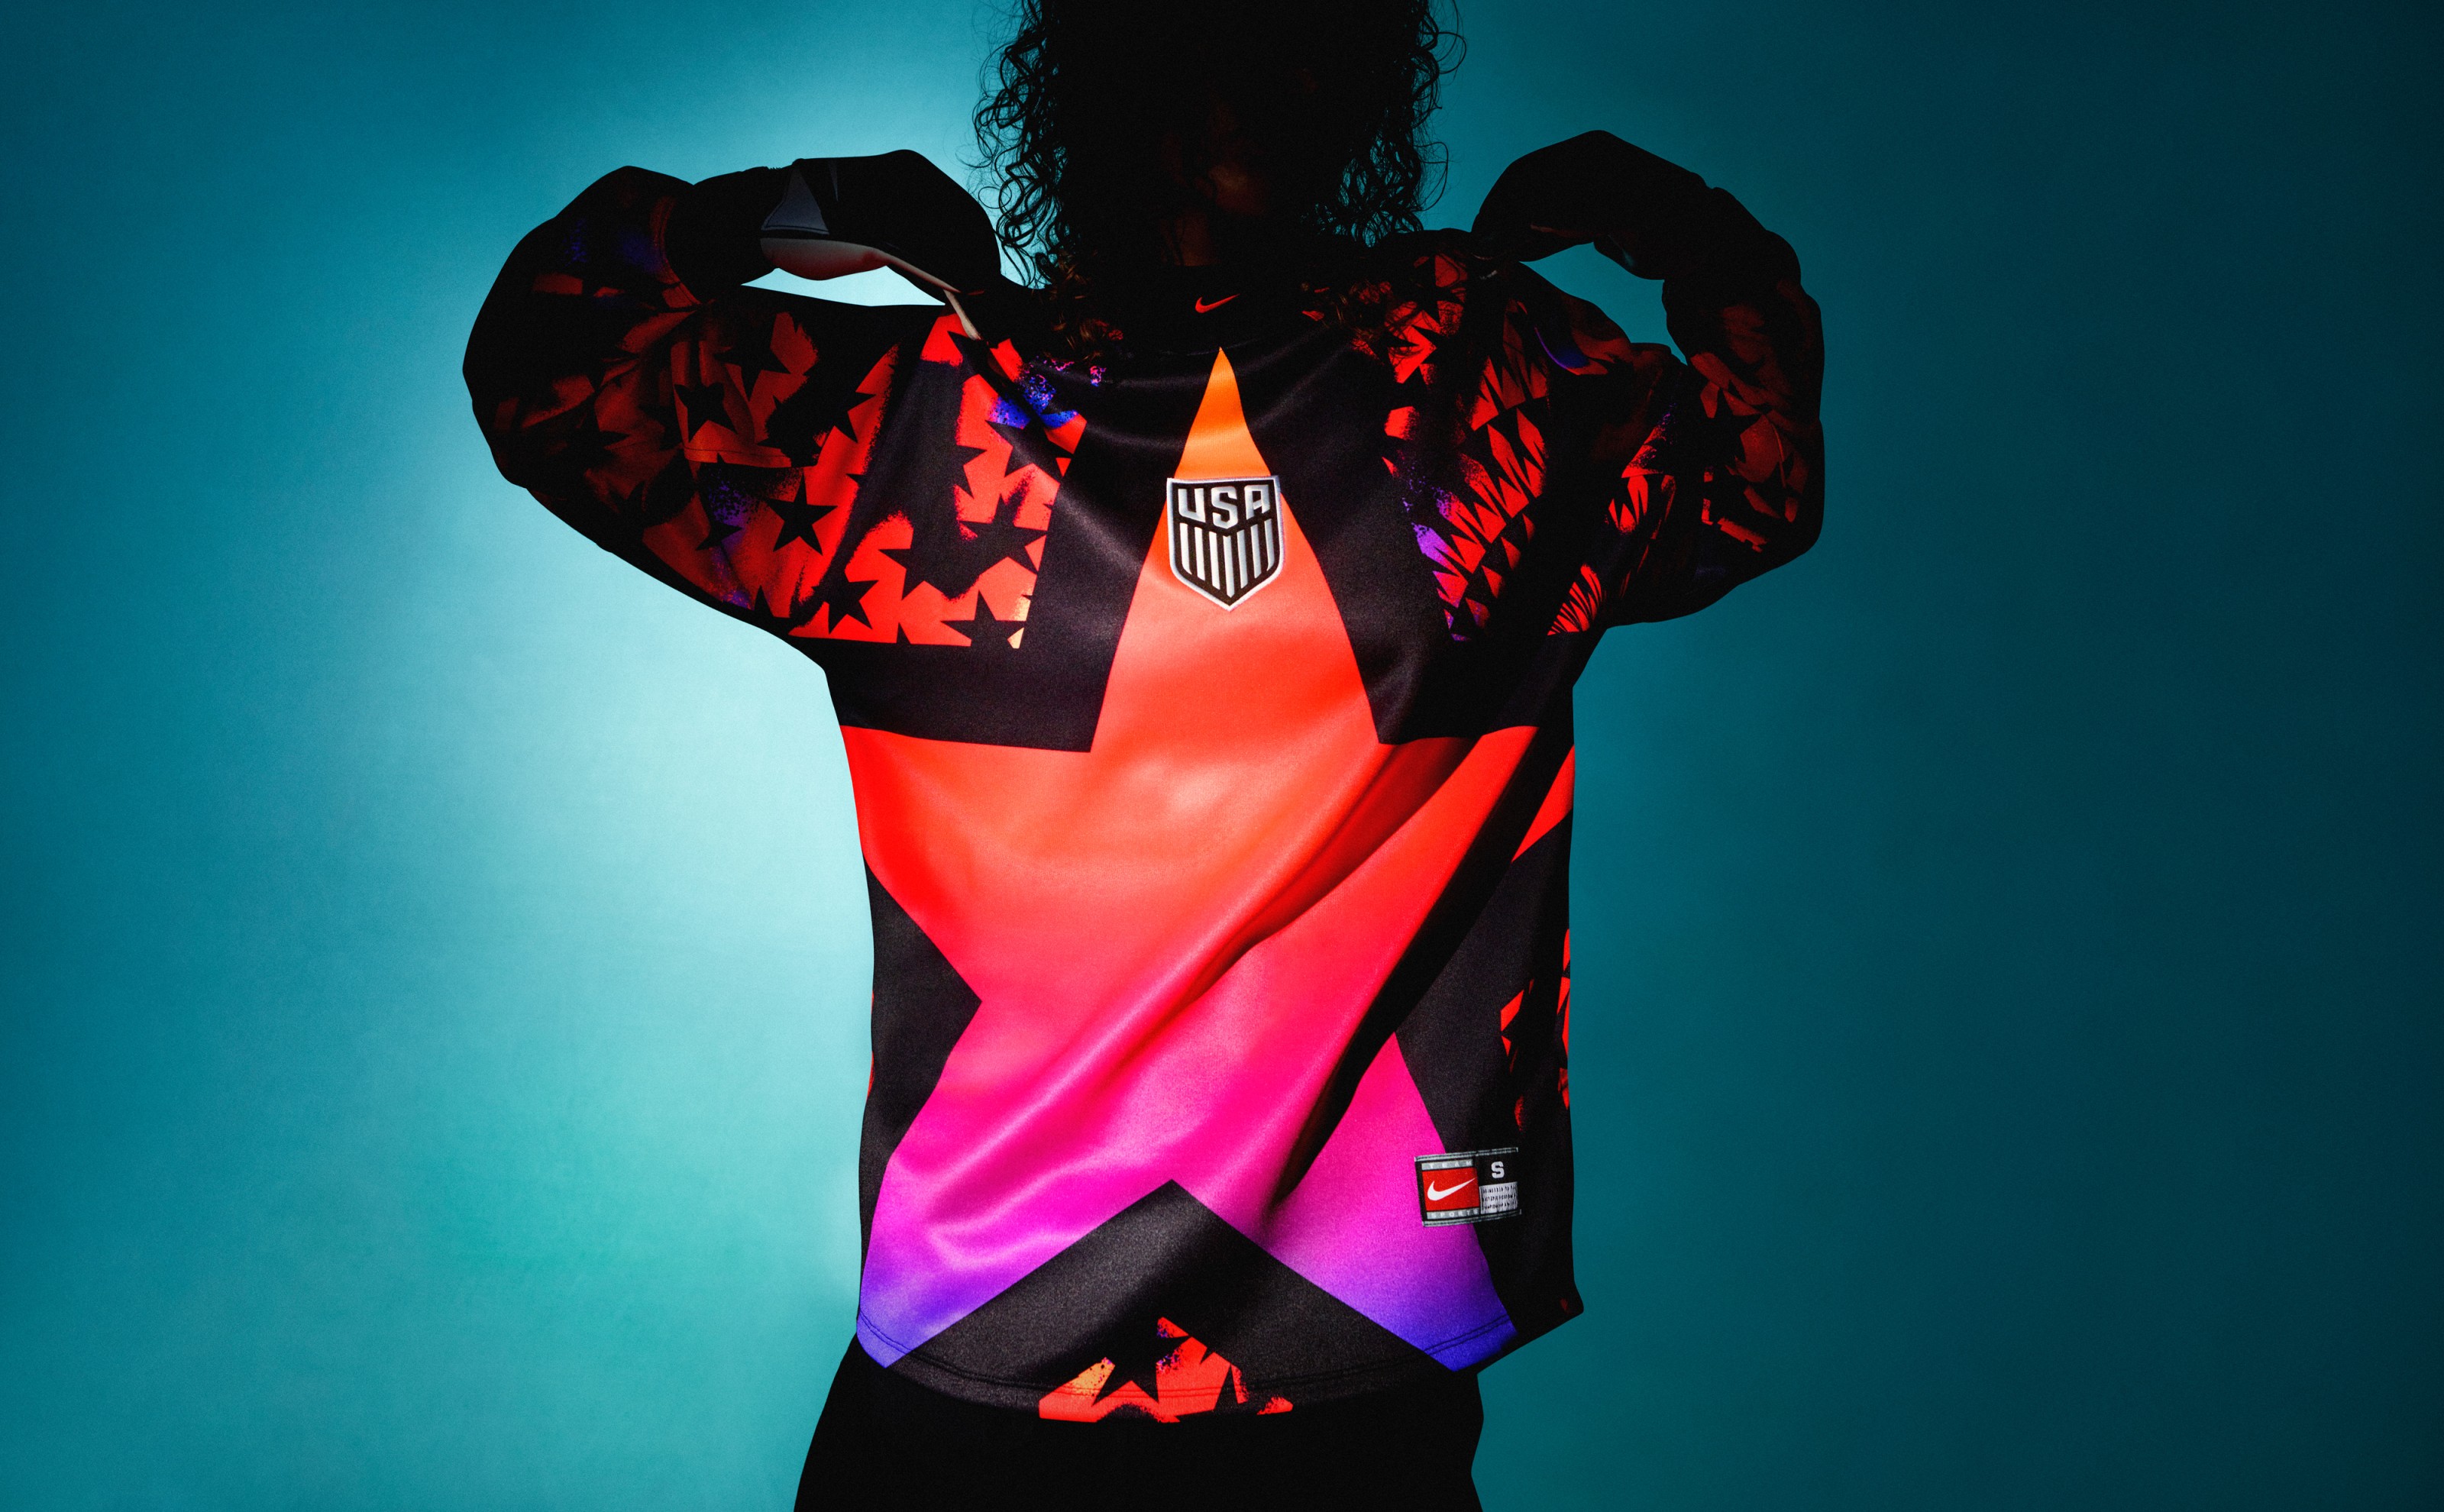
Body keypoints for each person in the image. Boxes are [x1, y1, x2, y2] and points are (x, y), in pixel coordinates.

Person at [464, 1, 1821, 1504]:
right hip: (1239, 1368)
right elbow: (1758, 470)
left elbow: (548, 368)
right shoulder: (1484, 386)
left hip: (1098, 1373)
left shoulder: (925, 416)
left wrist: (771, 216)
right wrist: (1687, 236)